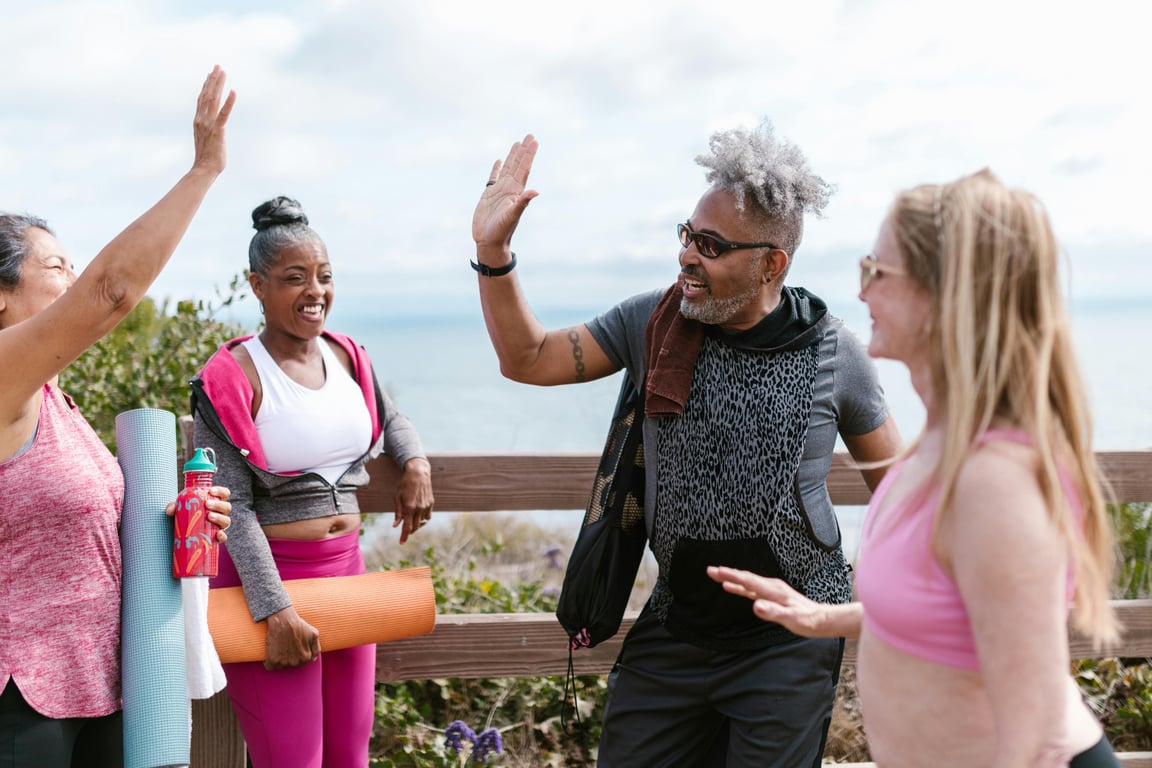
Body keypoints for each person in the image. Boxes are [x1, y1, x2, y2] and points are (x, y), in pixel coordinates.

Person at [471, 123, 903, 767]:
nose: (687, 256)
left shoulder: (834, 353)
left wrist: (879, 605)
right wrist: (493, 251)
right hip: (676, 626)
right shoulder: (653, 320)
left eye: (711, 245)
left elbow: (902, 496)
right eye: (687, 235)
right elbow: (528, 357)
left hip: (789, 640)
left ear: (770, 263)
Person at [710, 169, 1122, 767]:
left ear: (943, 294)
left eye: (875, 272)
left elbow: (1029, 736)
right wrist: (819, 616)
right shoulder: (939, 445)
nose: (861, 293)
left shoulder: (994, 482)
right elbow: (941, 611)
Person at [0, 67, 235, 767]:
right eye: (57, 266)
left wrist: (182, 518)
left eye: (73, 268)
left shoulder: (55, 402)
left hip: (98, 690)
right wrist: (204, 170)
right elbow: (111, 292)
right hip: (21, 701)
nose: (73, 284)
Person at [190, 196, 434, 767]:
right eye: (294, 278)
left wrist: (416, 462)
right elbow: (231, 509)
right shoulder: (230, 378)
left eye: (324, 277)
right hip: (266, 585)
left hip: (347, 573)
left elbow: (389, 416)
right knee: (293, 759)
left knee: (350, 756)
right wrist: (274, 612)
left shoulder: (349, 356)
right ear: (257, 285)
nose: (315, 292)